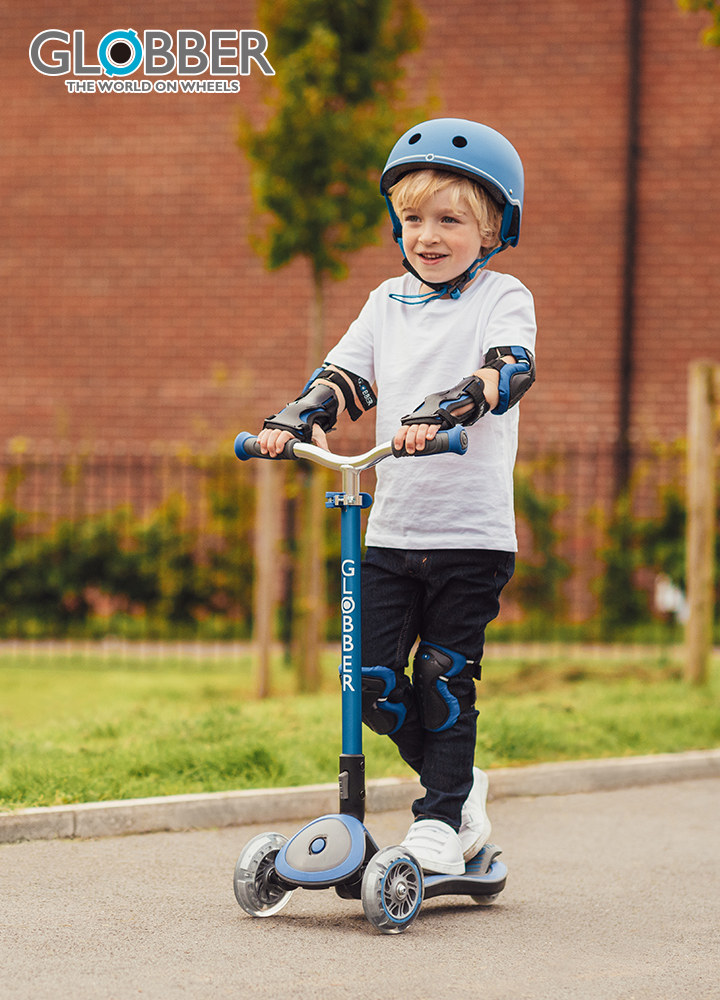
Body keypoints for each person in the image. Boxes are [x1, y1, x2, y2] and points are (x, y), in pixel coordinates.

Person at [258, 118, 536, 875]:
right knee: (374, 686)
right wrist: (298, 417)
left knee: (442, 675)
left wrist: (452, 407)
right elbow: (345, 376)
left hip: (470, 537)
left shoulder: (502, 295)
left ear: (493, 228)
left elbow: (507, 371)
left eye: (451, 219)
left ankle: (442, 820)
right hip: (391, 531)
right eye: (414, 218)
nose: (429, 235)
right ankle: (461, 779)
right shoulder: (386, 301)